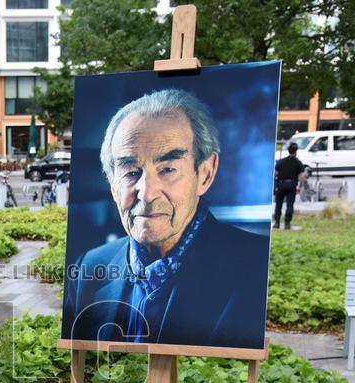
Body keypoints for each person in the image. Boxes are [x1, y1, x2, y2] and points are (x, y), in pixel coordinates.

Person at [63, 88, 269, 349]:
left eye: (168, 169)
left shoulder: (253, 267)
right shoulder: (90, 268)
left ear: (205, 174)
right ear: (113, 184)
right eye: (130, 172)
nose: (147, 194)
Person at [274, 142, 306, 229]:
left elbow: (275, 173)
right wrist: (300, 187)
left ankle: (277, 222)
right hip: (292, 184)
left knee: (279, 204)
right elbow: (303, 176)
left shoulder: (281, 161)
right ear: (296, 151)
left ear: (288, 151)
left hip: (281, 184)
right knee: (290, 204)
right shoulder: (298, 162)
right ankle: (287, 223)